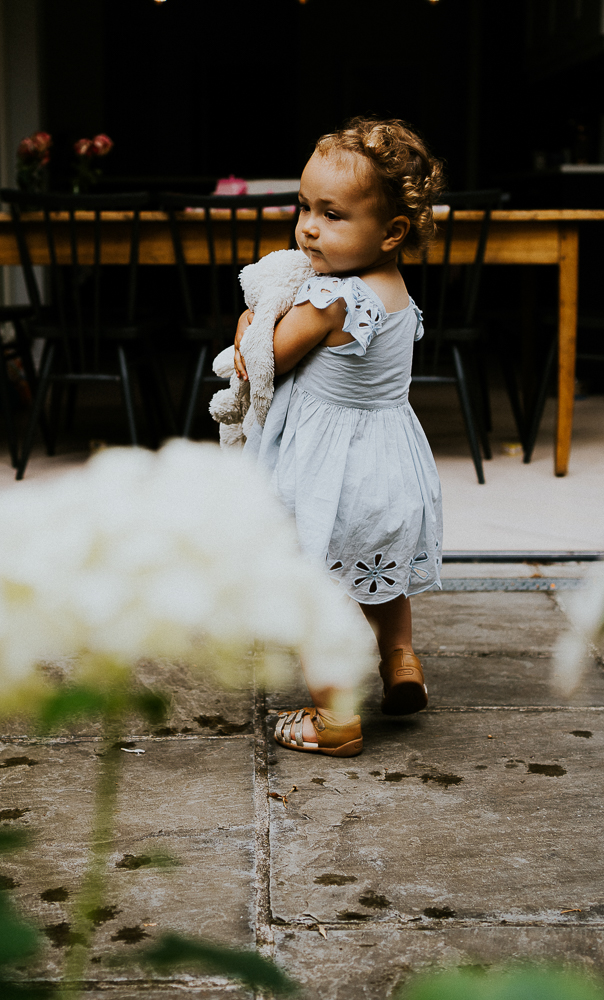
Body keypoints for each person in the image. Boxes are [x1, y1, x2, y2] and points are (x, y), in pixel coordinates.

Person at [232, 118, 445, 757]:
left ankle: (335, 718)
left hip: (331, 479)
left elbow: (265, 357)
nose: (309, 227)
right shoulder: (396, 293)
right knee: (380, 578)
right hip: (389, 470)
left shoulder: (331, 300)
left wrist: (251, 319)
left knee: (314, 592)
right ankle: (400, 658)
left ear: (392, 232)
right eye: (304, 207)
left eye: (332, 214)